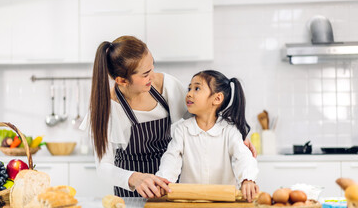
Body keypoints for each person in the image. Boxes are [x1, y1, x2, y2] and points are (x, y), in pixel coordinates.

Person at [80, 36, 257, 198]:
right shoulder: (106, 108)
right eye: (145, 74)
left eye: (152, 66)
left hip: (168, 188)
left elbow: (202, 119)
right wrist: (134, 178)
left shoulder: (167, 86)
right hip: (130, 193)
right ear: (122, 81)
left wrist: (237, 139)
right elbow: (104, 167)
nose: (153, 75)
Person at [156, 70, 259, 202]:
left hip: (224, 204)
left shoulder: (230, 130)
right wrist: (164, 180)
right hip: (189, 203)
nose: (189, 94)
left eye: (197, 88)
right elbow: (171, 158)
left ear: (217, 98)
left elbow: (243, 157)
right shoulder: (182, 129)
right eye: (189, 88)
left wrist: (248, 179)